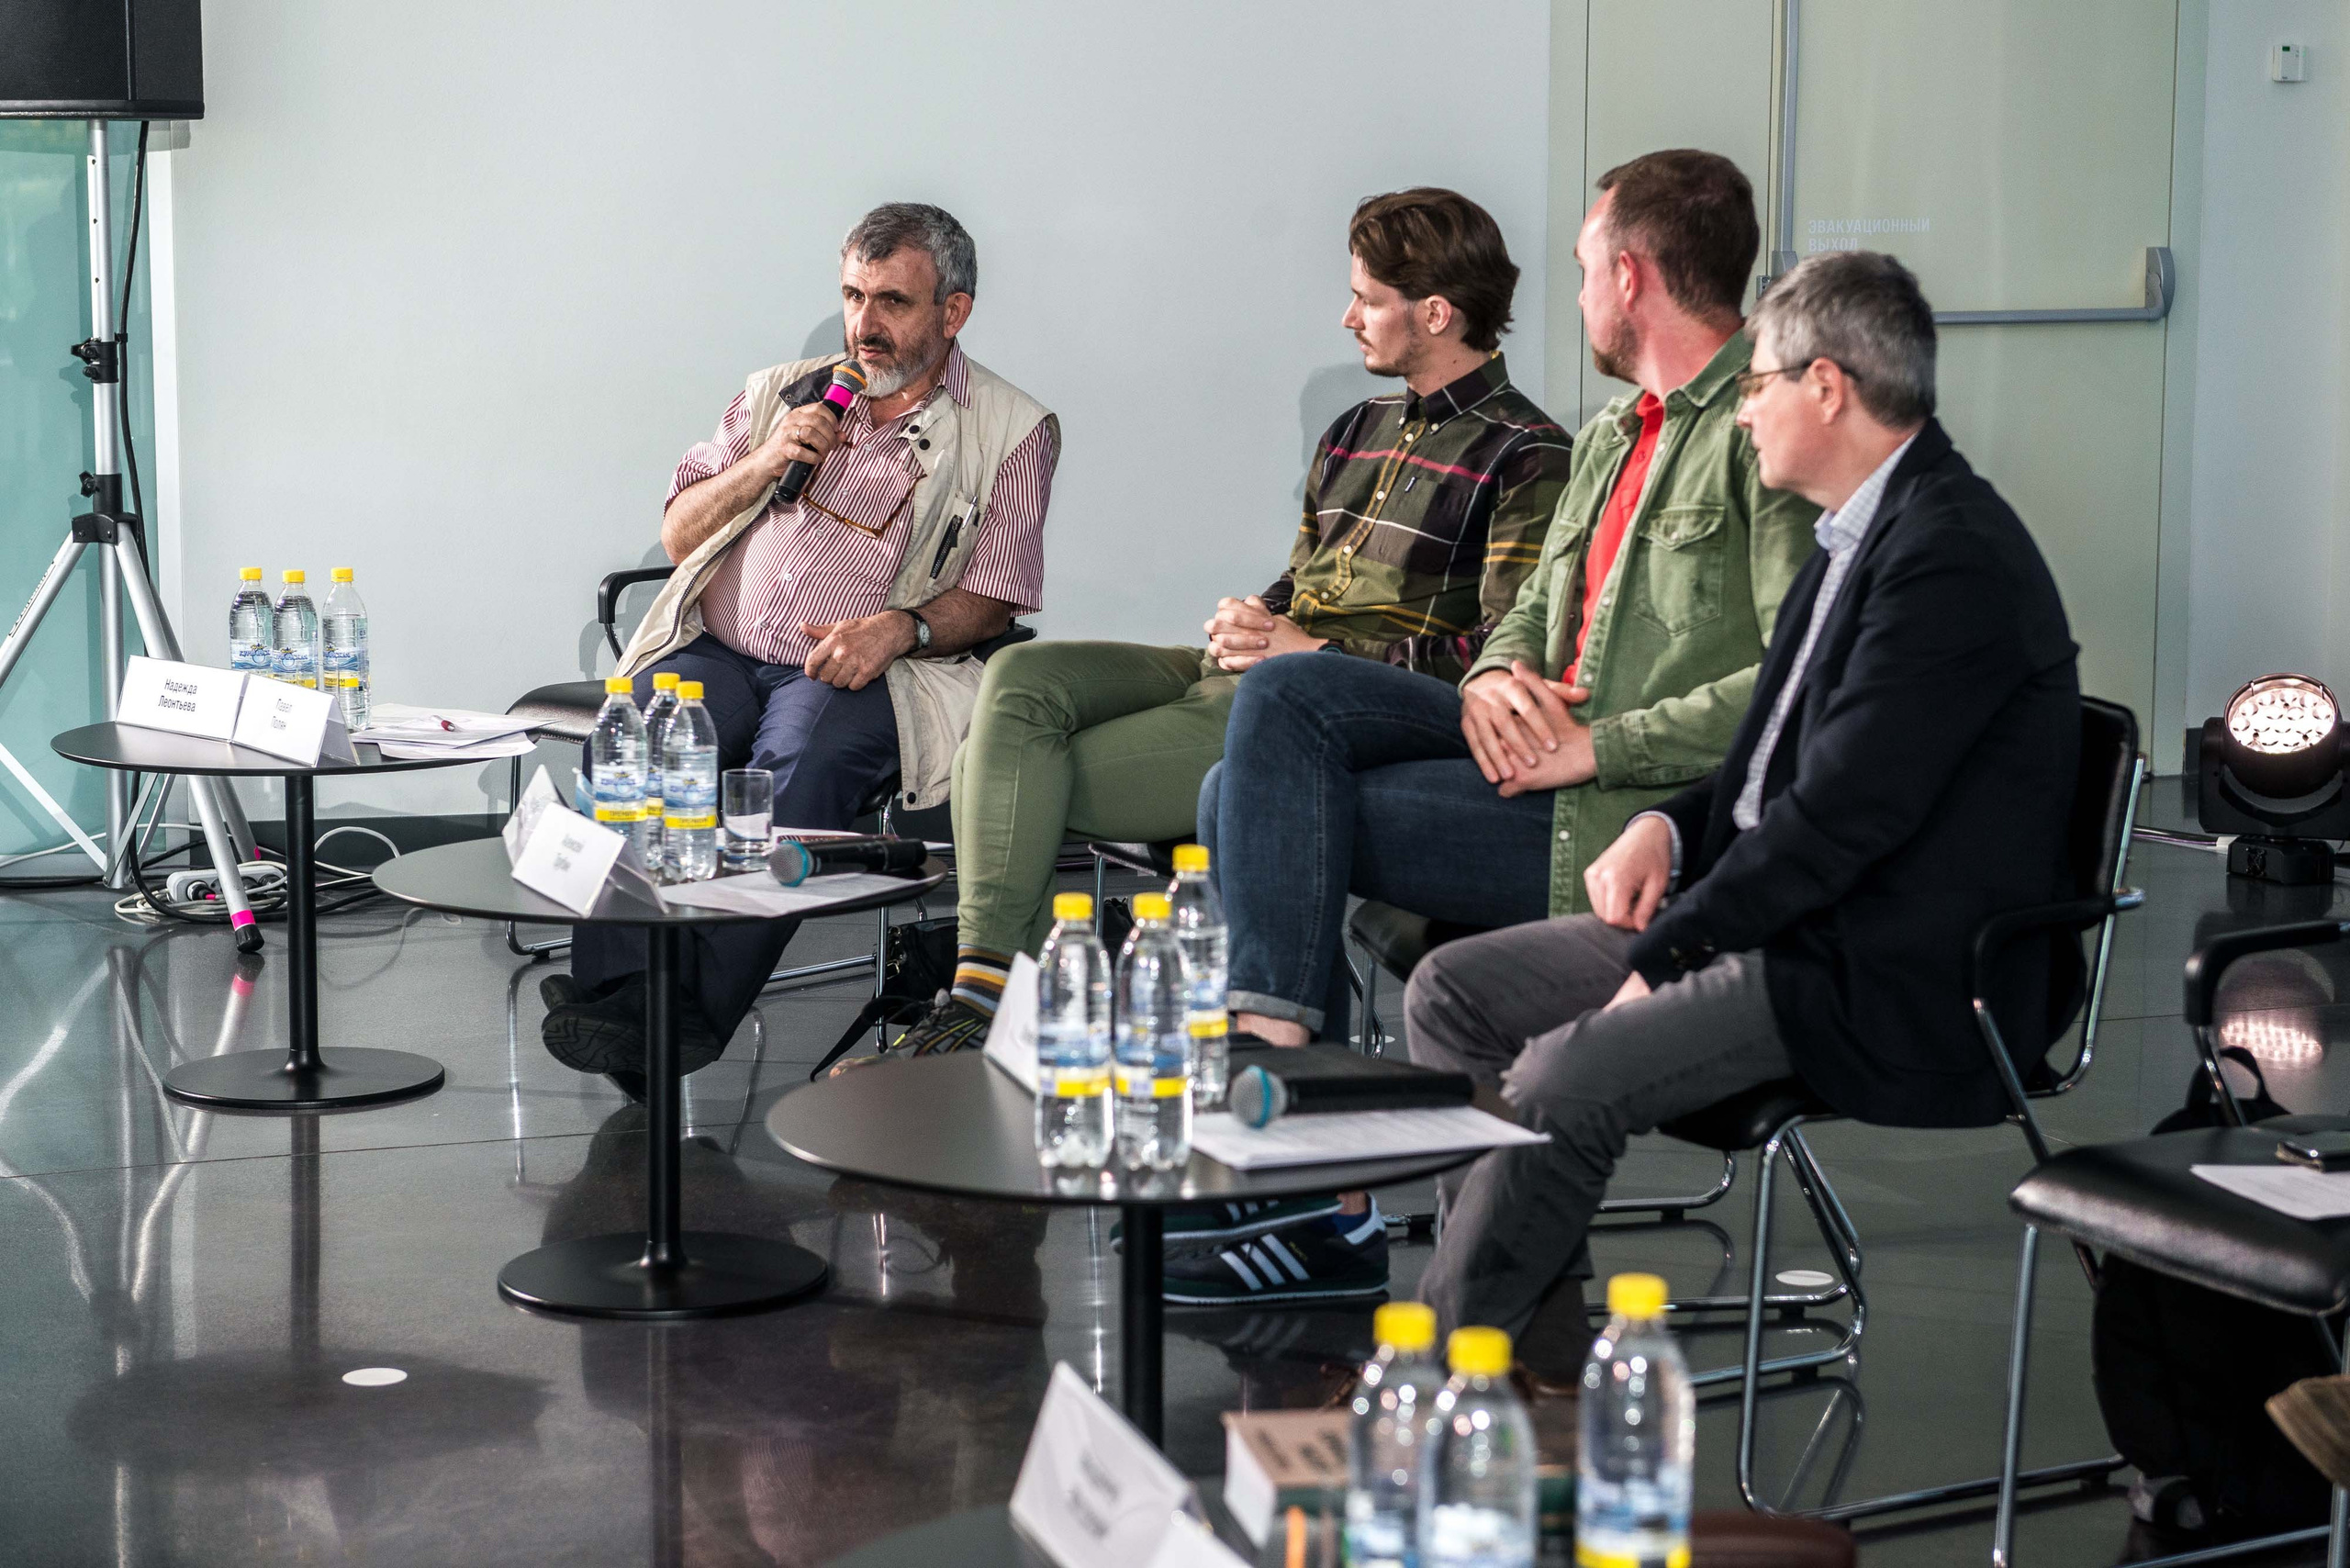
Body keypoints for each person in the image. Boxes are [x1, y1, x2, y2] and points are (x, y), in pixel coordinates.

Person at [1404, 250, 2084, 1380]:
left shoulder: (1948, 558)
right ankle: (1533, 1351)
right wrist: (1671, 828)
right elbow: (1771, 768)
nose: (1744, 410)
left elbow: (1840, 822)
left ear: (1827, 387)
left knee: (1565, 1079)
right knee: (1453, 992)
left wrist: (1670, 948)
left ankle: (1443, 1378)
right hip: (1785, 920)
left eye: (1759, 383)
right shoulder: (1854, 532)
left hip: (1880, 963)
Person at [1174, 151, 1816, 1305]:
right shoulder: (1620, 433)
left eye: (1581, 272)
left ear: (1631, 276)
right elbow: (1527, 612)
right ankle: (1310, 1145)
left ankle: (1306, 1151)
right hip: (1521, 754)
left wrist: (1598, 745)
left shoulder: (1754, 441)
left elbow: (1791, 684)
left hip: (1614, 819)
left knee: (1247, 778)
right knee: (1266, 739)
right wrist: (1496, 678)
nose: (1571, 299)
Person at [871, 187, 1570, 1067]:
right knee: (1023, 680)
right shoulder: (1358, 427)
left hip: (1340, 705)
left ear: (1434, 312)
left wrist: (1311, 653)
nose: (1347, 315)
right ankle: (995, 996)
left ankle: (986, 1007)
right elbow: (1308, 573)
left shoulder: (1527, 452)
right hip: (1255, 668)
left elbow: (1501, 655)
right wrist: (1260, 615)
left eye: (1368, 298)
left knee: (1000, 771)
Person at [541, 203, 1058, 1096]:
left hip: (859, 668)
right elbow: (679, 532)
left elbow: (997, 592)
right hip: (719, 649)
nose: (865, 323)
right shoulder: (779, 390)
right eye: (854, 295)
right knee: (630, 740)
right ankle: (619, 995)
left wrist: (905, 626)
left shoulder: (1012, 431)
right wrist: (767, 455)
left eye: (892, 300)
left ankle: (687, 1012)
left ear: (954, 311)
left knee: (795, 775)